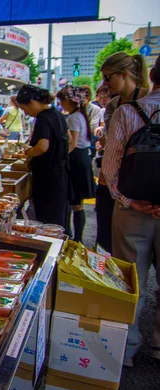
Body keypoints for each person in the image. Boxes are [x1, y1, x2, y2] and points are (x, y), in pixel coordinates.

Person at [102, 54, 160, 367]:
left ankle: (125, 348)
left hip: (132, 209)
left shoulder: (126, 112)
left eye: (108, 77)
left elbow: (110, 167)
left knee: (129, 279)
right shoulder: (120, 107)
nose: (105, 84)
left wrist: (125, 199)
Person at [95, 52, 149, 252]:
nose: (104, 83)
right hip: (115, 186)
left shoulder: (149, 100)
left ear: (124, 73)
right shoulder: (112, 106)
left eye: (108, 77)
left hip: (141, 186)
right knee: (108, 246)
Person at [16, 85, 71, 231]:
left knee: (46, 221)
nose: (25, 113)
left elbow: (42, 146)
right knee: (58, 222)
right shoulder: (57, 114)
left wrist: (29, 153)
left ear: (32, 102)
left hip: (48, 178)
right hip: (61, 174)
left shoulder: (43, 118)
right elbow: (70, 139)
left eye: (24, 108)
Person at [56, 86, 96, 244]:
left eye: (61, 101)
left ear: (68, 100)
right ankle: (75, 236)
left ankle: (76, 237)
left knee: (75, 203)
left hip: (76, 160)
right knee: (77, 203)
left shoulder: (73, 118)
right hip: (83, 158)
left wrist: (60, 157)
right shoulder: (81, 115)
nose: (61, 104)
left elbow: (72, 142)